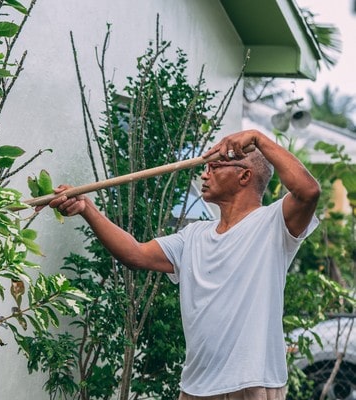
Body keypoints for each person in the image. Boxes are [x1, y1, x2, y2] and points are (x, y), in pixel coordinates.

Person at [42, 129, 320, 400]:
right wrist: (86, 208)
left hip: (251, 383)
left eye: (214, 167)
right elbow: (135, 253)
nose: (204, 174)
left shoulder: (272, 224)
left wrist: (258, 138)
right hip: (196, 386)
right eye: (206, 167)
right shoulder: (193, 237)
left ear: (245, 175)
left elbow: (308, 191)